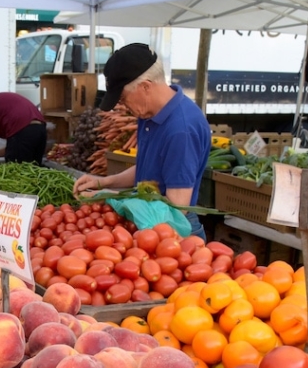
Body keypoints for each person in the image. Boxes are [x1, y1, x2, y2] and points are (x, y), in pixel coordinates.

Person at [72, 43, 211, 240]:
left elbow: (175, 209)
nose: (122, 105)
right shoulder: (149, 114)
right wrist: (102, 182)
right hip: (148, 224)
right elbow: (148, 169)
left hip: (174, 233)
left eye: (123, 98)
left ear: (145, 86)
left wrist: (108, 196)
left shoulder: (181, 130)